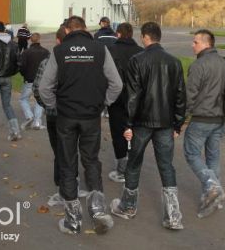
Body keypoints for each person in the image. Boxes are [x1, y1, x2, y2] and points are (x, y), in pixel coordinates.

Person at [38, 15, 123, 235]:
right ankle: (97, 211)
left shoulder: (59, 51)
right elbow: (116, 83)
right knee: (91, 160)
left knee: (67, 162)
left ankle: (73, 220)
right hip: (91, 116)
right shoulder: (100, 49)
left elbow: (44, 88)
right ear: (85, 28)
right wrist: (104, 103)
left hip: (66, 116)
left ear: (67, 30)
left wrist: (54, 106)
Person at [111, 21, 186, 230]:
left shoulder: (137, 60)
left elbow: (133, 96)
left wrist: (127, 124)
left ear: (145, 37)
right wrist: (178, 124)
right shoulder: (174, 62)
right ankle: (173, 215)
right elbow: (180, 96)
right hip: (165, 123)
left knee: (134, 163)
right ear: (159, 36)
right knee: (166, 165)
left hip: (141, 123)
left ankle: (128, 206)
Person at [183, 29, 225, 218]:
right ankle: (213, 196)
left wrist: (180, 117)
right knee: (213, 157)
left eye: (195, 42)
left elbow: (190, 95)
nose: (192, 45)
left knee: (191, 153)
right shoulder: (223, 63)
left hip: (202, 118)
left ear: (206, 43)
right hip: (220, 118)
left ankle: (212, 186)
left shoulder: (199, 65)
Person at [105, 22, 143, 183]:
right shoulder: (141, 52)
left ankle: (122, 168)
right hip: (136, 98)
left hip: (116, 98)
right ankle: (132, 166)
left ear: (118, 34)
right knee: (134, 131)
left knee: (117, 132)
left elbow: (105, 74)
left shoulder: (110, 50)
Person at [33, 26, 67, 207]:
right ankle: (69, 182)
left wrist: (48, 105)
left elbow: (38, 88)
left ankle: (63, 187)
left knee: (60, 150)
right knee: (69, 149)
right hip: (74, 112)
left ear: (57, 40)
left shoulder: (48, 62)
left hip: (56, 113)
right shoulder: (79, 61)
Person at [18, 32, 49, 130]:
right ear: (39, 39)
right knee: (39, 100)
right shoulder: (46, 52)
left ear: (31, 40)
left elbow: (21, 66)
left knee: (23, 99)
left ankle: (29, 116)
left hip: (29, 80)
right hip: (42, 80)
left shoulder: (26, 52)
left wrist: (25, 75)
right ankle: (37, 122)